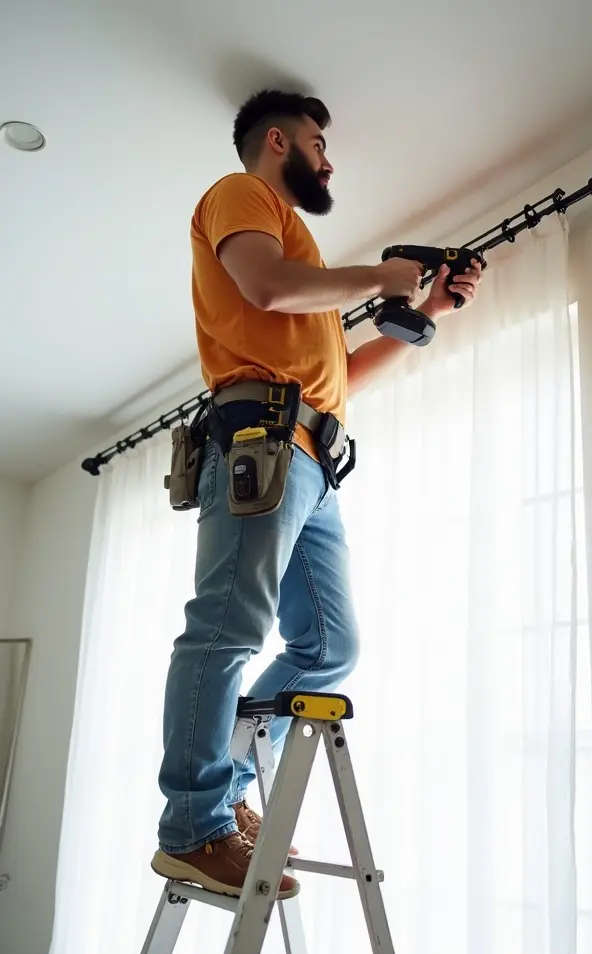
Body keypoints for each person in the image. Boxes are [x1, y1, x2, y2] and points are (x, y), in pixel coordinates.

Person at [151, 89, 482, 899]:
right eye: (318, 142)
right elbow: (263, 286)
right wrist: (379, 275)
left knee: (329, 651)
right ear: (277, 141)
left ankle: (224, 790)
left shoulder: (312, 287)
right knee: (225, 630)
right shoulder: (243, 199)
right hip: (263, 442)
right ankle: (192, 825)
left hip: (312, 457)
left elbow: (337, 384)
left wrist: (426, 306)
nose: (328, 159)